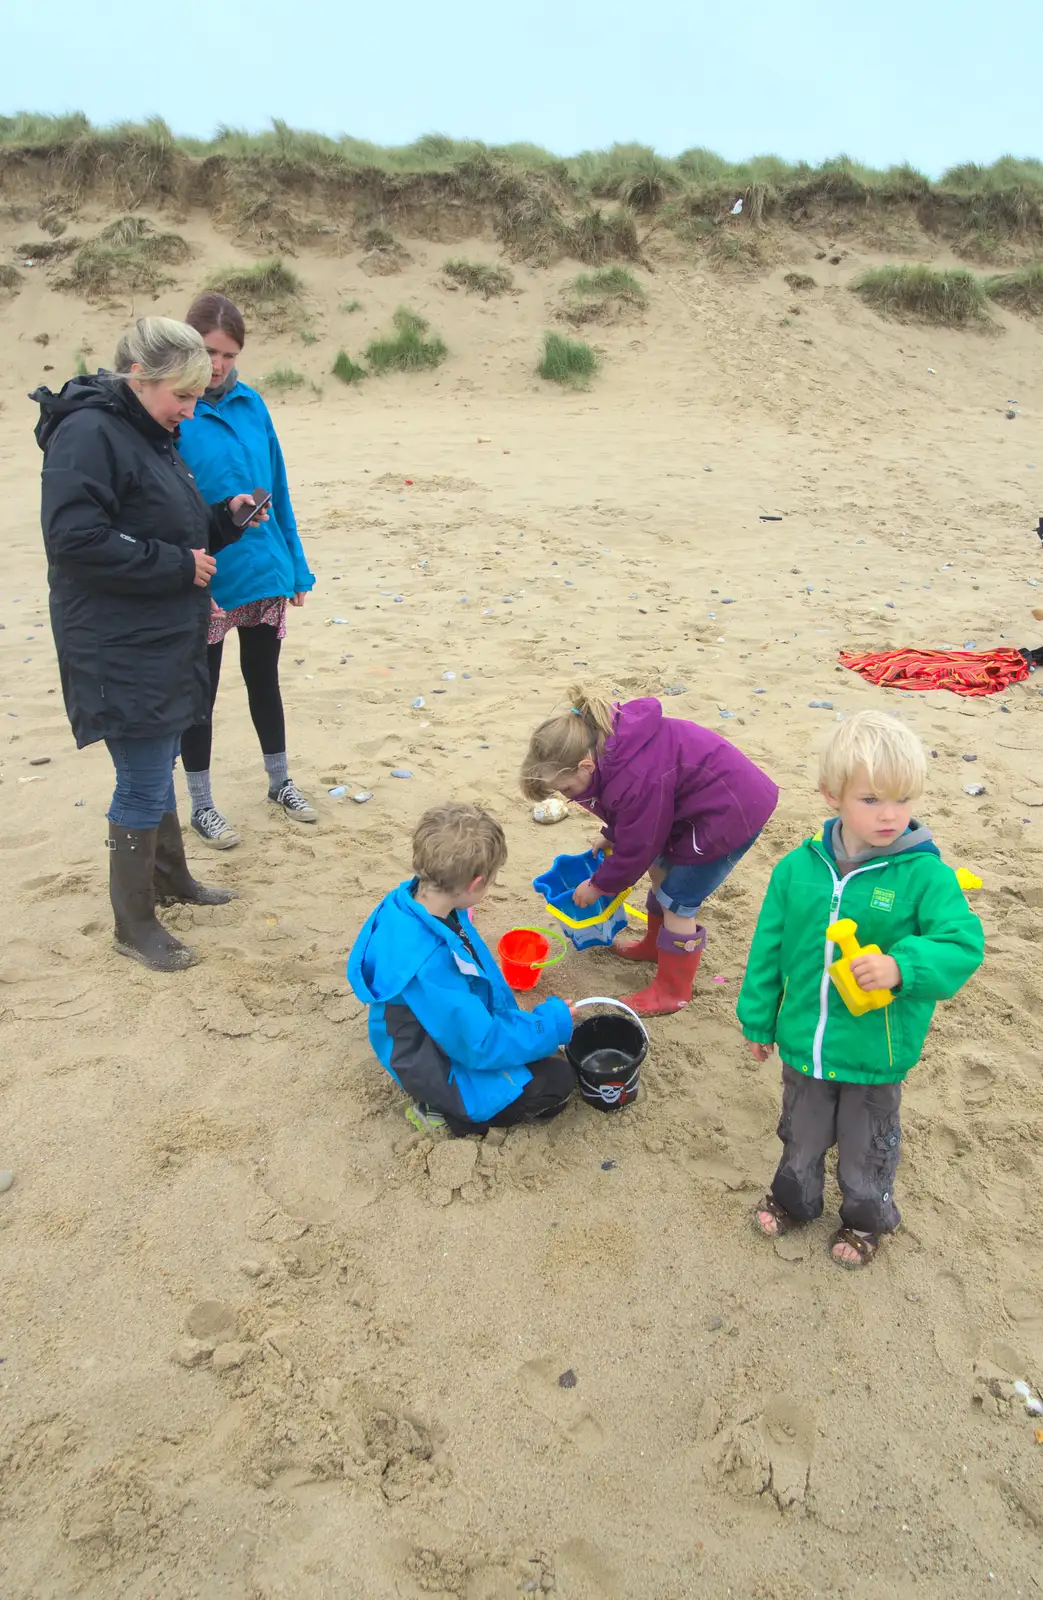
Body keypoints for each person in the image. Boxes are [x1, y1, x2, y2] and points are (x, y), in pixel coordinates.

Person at [33, 317, 260, 971]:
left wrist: (225, 522)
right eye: (181, 398)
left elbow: (167, 527)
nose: (189, 412)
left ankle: (171, 879)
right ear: (141, 378)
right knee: (139, 778)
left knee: (156, 762)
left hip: (158, 635)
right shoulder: (87, 433)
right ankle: (134, 926)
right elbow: (74, 540)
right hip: (114, 644)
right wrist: (175, 566)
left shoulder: (146, 430)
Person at [737, 710, 984, 1268]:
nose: (891, 815)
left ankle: (865, 1219)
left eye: (903, 799)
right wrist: (758, 1019)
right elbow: (768, 952)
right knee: (800, 1131)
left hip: (877, 1051)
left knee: (866, 1143)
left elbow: (963, 943)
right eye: (871, 800)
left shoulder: (925, 876)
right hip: (806, 1039)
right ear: (832, 795)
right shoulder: (798, 869)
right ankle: (794, 1199)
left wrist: (903, 966)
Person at [520, 687, 779, 1016]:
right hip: (691, 807)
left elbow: (640, 843)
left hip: (729, 813)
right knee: (660, 869)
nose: (569, 797)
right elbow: (635, 815)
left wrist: (600, 884)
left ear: (586, 765)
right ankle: (656, 945)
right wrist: (613, 834)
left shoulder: (636, 775)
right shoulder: (610, 752)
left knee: (678, 899)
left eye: (567, 788)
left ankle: (672, 991)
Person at [176, 292, 317, 849]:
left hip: (262, 568)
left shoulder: (252, 405)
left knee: (264, 679)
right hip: (206, 572)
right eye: (209, 351)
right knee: (200, 693)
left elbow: (277, 488)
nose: (217, 365)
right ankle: (203, 805)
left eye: (229, 355)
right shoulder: (177, 409)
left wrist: (296, 567)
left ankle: (279, 782)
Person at [347, 802, 576, 1136]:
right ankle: (442, 1113)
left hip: (431, 1031)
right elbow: (479, 1044)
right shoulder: (428, 964)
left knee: (533, 1052)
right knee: (558, 1081)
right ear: (475, 884)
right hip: (430, 1061)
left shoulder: (411, 899)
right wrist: (549, 1025)